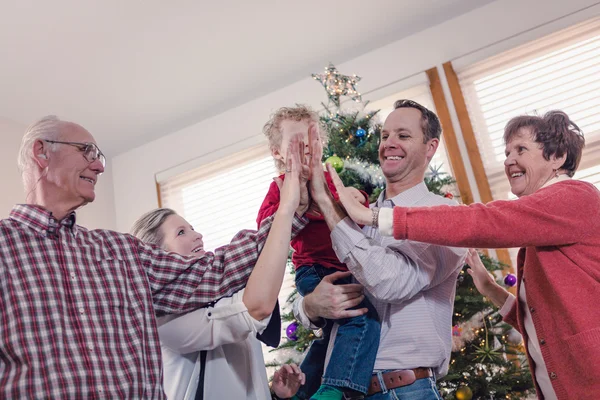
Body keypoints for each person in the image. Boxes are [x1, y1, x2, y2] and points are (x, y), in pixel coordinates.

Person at [0, 115, 309, 399]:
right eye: (86, 151)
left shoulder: (119, 251)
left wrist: (293, 210)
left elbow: (216, 271)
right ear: (42, 153)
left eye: (99, 156)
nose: (99, 166)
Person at [333, 110, 600, 399]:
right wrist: (491, 290)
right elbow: (543, 325)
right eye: (507, 151)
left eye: (521, 149)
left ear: (557, 157)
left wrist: (376, 217)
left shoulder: (574, 197)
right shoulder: (546, 228)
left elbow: (484, 221)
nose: (509, 160)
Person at [295, 100, 468, 400]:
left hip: (407, 390)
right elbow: (320, 282)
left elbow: (390, 282)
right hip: (348, 391)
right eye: (385, 135)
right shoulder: (356, 216)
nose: (389, 144)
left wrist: (325, 202)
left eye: (403, 135)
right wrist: (310, 306)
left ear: (430, 147)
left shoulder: (446, 216)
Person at [130, 134, 308, 400]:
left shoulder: (220, 294)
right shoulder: (165, 320)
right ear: (157, 257)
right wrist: (286, 210)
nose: (197, 235)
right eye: (181, 233)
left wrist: (275, 394)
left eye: (192, 228)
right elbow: (256, 307)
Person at [258, 105, 379, 400]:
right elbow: (265, 230)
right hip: (314, 270)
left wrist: (358, 195)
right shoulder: (280, 186)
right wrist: (294, 198)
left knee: (331, 338)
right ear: (277, 152)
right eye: (296, 143)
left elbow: (353, 203)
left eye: (312, 141)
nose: (306, 150)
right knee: (362, 318)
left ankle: (304, 393)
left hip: (345, 267)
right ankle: (336, 388)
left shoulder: (328, 177)